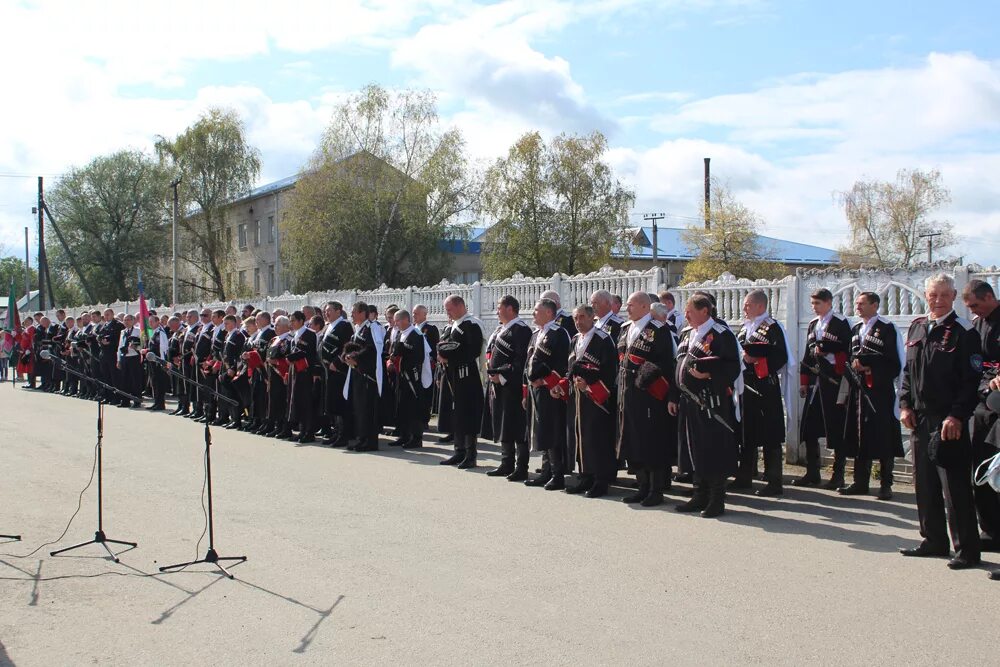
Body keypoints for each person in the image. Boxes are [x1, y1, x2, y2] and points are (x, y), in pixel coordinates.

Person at [899, 274, 983, 569]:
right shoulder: (918, 326)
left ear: (954, 296)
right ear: (925, 295)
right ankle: (933, 540)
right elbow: (908, 372)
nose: (937, 300)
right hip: (920, 418)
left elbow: (971, 380)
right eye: (933, 295)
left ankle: (967, 550)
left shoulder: (963, 332)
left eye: (943, 295)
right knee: (925, 484)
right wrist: (905, 405)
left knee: (955, 488)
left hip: (949, 421)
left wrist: (956, 415)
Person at [671, 294, 742, 517]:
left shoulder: (721, 334)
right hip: (687, 400)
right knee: (693, 449)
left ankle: (716, 499)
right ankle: (698, 494)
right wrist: (674, 396)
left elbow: (733, 367)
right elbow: (678, 364)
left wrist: (709, 374)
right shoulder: (686, 333)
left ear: (704, 311)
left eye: (690, 311)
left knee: (712, 449)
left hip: (710, 401)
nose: (686, 314)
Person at [837, 292, 905, 501]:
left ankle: (886, 484)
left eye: (862, 303)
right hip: (858, 391)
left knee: (883, 435)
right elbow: (849, 356)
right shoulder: (856, 329)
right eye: (856, 303)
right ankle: (860, 481)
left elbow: (894, 362)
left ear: (875, 305)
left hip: (880, 391)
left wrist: (870, 368)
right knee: (859, 434)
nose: (858, 307)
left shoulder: (887, 328)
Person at [616, 291, 676, 507]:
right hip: (628, 392)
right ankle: (641, 486)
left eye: (631, 305)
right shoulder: (625, 329)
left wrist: (669, 394)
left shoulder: (658, 329)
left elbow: (667, 364)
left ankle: (655, 489)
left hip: (649, 393)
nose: (627, 308)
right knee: (633, 440)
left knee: (651, 441)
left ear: (644, 306)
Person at [733, 289, 794, 497]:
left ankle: (774, 480)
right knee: (746, 431)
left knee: (770, 433)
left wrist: (757, 361)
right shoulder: (745, 327)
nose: (744, 308)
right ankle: (744, 476)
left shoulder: (772, 328)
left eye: (748, 305)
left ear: (760, 306)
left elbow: (781, 356)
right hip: (745, 384)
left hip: (765, 385)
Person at [796, 288, 853, 487]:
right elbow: (807, 355)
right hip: (815, 383)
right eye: (812, 304)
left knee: (835, 428)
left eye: (818, 304)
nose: (814, 308)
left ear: (828, 303)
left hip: (833, 382)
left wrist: (828, 351)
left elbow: (848, 351)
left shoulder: (840, 323)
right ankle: (812, 472)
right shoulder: (813, 325)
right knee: (809, 428)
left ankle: (838, 475)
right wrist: (804, 382)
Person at [961, 279, 1000, 552]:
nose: (974, 311)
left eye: (976, 304)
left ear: (989, 296)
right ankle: (989, 531)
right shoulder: (976, 325)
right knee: (982, 469)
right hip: (982, 405)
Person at [565, 304, 618, 498]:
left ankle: (601, 480)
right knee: (581, 436)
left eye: (582, 317)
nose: (578, 322)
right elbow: (570, 367)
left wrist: (589, 385)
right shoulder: (574, 340)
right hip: (578, 397)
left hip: (597, 398)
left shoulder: (603, 339)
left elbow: (609, 370)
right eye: (575, 318)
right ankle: (585, 475)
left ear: (592, 317)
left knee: (598, 439)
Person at [482, 295, 532, 479]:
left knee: (517, 426)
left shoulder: (521, 330)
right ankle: (506, 463)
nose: (496, 311)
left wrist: (502, 376)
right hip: (498, 385)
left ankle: (521, 467)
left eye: (499, 307)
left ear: (510, 309)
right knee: (503, 424)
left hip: (513, 385)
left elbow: (521, 360)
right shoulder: (499, 330)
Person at [524, 298, 571, 489]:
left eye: (537, 310)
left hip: (551, 389)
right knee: (541, 430)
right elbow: (529, 361)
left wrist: (546, 381)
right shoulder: (536, 333)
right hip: (536, 389)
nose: (533, 314)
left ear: (549, 313)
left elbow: (561, 363)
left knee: (553, 431)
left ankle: (557, 474)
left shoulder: (558, 333)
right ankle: (545, 471)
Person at [436, 295, 484, 468]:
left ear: (459, 306)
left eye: (449, 309)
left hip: (467, 375)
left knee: (467, 413)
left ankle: (471, 454)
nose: (447, 312)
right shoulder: (453, 325)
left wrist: (450, 359)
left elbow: (473, 351)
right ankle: (459, 451)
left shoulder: (471, 324)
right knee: (456, 413)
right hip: (451, 375)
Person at [388, 309, 432, 448]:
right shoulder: (400, 334)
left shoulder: (416, 334)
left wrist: (404, 352)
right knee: (402, 406)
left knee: (414, 407)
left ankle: (416, 438)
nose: (396, 324)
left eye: (398, 320)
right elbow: (395, 351)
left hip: (413, 376)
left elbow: (419, 356)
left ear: (406, 320)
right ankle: (404, 435)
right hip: (401, 375)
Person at [343, 302, 383, 451]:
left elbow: (372, 349)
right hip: (357, 372)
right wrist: (346, 356)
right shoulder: (358, 329)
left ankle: (369, 441)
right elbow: (351, 347)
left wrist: (356, 357)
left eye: (354, 312)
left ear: (362, 313)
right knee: (359, 408)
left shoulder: (371, 328)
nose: (352, 314)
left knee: (367, 409)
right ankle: (361, 437)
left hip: (368, 376)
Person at [318, 302, 354, 447]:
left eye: (330, 311)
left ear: (339, 311)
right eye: (325, 311)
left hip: (339, 371)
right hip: (327, 371)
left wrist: (337, 363)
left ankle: (343, 435)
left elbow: (347, 347)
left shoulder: (344, 326)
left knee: (340, 403)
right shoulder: (327, 326)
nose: (326, 313)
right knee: (332, 403)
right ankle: (336, 432)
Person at [286, 311, 319, 443]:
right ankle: (302, 430)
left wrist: (290, 357)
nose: (291, 323)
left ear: (301, 321)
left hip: (305, 372)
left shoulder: (310, 334)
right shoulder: (294, 335)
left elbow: (307, 353)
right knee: (297, 401)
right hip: (295, 371)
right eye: (290, 321)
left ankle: (309, 432)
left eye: (293, 320)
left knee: (306, 402)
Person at [413, 305, 439, 440]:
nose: (414, 316)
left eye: (417, 313)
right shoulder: (413, 329)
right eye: (413, 313)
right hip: (415, 366)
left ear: (424, 314)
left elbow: (434, 347)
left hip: (427, 365)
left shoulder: (431, 329)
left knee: (426, 392)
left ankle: (424, 420)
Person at [116, 314, 142, 408]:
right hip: (124, 357)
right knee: (124, 380)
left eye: (128, 320)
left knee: (135, 380)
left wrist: (135, 347)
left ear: (133, 320)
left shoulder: (138, 331)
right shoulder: (123, 331)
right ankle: (125, 401)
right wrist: (118, 360)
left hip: (134, 356)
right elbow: (120, 346)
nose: (126, 322)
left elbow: (142, 345)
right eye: (124, 320)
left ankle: (137, 400)